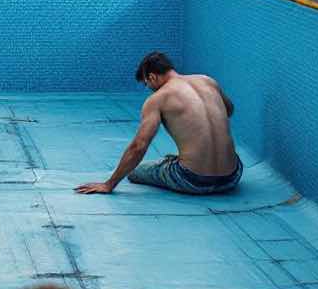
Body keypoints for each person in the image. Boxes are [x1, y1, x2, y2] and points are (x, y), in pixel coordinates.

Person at [75, 52, 242, 196]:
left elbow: (139, 146)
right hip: (231, 177)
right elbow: (229, 110)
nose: (150, 89)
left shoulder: (158, 98)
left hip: (193, 181)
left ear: (152, 77)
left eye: (147, 84)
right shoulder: (207, 81)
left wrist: (109, 184)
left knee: (135, 172)